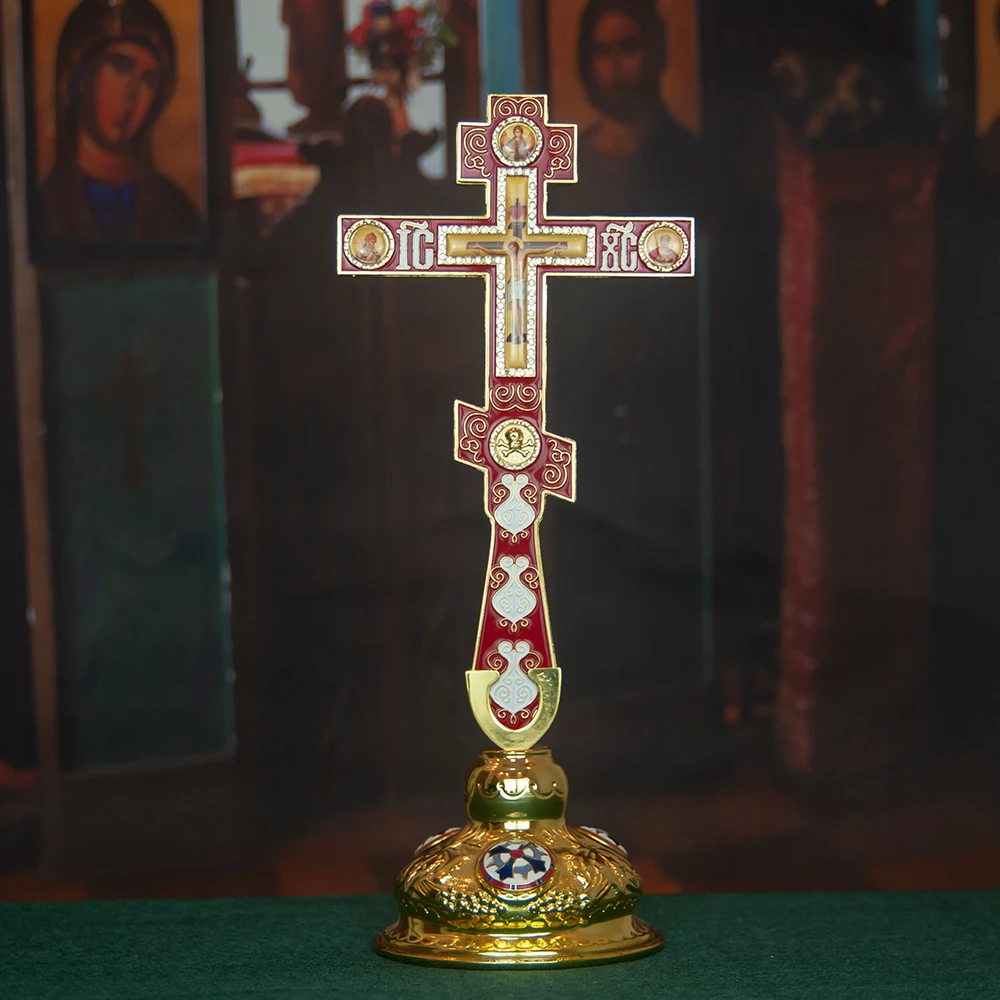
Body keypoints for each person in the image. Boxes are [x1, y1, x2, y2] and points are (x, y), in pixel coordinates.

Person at [39, 0, 200, 246]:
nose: (132, 95)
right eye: (120, 66)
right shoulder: (44, 210)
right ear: (80, 75)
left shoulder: (176, 211)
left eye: (148, 80)